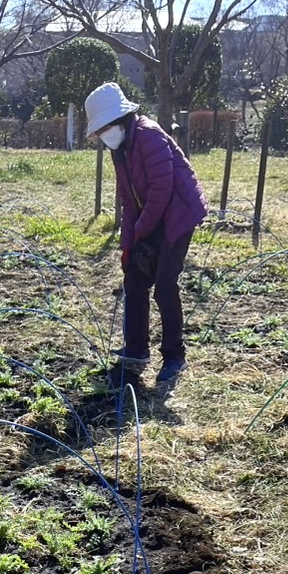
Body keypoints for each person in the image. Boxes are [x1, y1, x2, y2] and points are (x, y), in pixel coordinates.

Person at [84, 82, 208, 382]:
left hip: (178, 215)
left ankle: (174, 357)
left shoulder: (148, 135)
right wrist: (128, 245)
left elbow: (162, 190)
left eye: (104, 129)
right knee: (135, 279)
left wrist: (141, 231)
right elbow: (128, 200)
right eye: (99, 132)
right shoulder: (120, 151)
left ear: (119, 121)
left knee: (165, 284)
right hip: (153, 216)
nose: (103, 136)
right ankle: (136, 349)